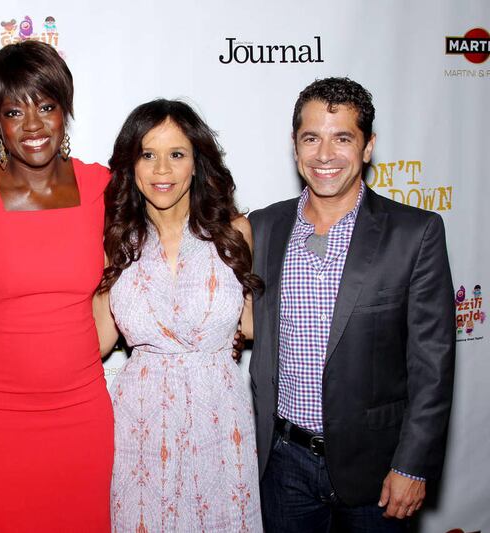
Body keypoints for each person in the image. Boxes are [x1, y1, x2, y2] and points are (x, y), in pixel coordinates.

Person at [248, 77, 455, 532]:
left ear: (368, 146)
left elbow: (432, 363)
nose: (325, 155)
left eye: (342, 138)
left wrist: (412, 465)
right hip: (282, 465)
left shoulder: (414, 233)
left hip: (379, 469)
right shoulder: (262, 227)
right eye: (311, 138)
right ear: (294, 145)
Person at [0, 41, 113, 532]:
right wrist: (3, 308)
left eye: (46, 106)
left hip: (82, 406)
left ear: (65, 111)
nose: (34, 125)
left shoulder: (102, 186)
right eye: (14, 112)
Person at [93, 99, 264, 532]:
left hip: (220, 416)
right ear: (131, 165)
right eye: (147, 155)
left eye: (176, 154)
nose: (162, 170)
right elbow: (98, 340)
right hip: (141, 420)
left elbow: (251, 325)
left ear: (197, 163)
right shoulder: (116, 241)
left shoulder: (234, 233)